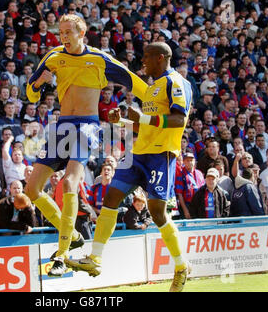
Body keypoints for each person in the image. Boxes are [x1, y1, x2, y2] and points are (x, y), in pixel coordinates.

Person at [24, 14, 147, 277]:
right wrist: (38, 84)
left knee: (69, 183)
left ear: (83, 34)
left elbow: (132, 80)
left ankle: (62, 253)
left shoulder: (100, 59)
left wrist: (154, 99)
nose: (64, 36)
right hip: (62, 125)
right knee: (32, 189)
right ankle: (73, 234)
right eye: (62, 32)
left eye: (69, 32)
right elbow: (30, 93)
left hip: (87, 126)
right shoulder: (53, 57)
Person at [68, 42, 192, 292]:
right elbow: (145, 125)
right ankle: (95, 258)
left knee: (157, 213)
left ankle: (181, 266)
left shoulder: (176, 83)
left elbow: (179, 120)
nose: (142, 60)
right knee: (111, 197)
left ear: (161, 57)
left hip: (161, 155)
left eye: (147, 56)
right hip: (139, 154)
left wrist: (140, 117)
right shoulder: (152, 88)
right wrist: (122, 120)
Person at [175, 151, 205, 219]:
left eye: (191, 160)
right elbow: (179, 194)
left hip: (200, 204)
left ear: (195, 161)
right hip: (187, 204)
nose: (190, 162)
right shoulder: (181, 174)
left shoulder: (199, 173)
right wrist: (185, 210)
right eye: (187, 160)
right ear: (184, 162)